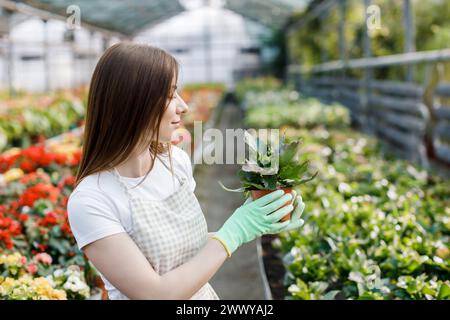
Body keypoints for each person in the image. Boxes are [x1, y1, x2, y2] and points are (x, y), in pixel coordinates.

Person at [67, 42, 306, 300]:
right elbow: (155, 294)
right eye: (170, 95)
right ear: (133, 102)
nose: (183, 106)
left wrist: (255, 223)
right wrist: (235, 231)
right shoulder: (92, 200)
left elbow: (182, 252)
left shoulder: (176, 162)